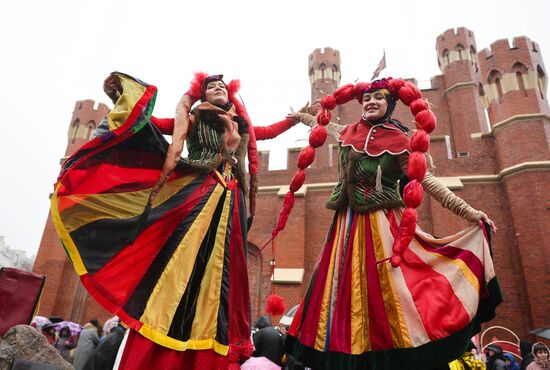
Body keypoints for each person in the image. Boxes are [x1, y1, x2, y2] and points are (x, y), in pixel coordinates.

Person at [50, 71, 301, 369]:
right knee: (181, 264)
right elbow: (153, 125)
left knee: (222, 276)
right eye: (211, 86)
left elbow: (268, 131)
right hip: (199, 192)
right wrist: (127, 104)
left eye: (222, 85)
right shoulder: (194, 119)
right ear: (202, 95)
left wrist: (296, 118)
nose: (218, 88)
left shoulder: (239, 123)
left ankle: (211, 337)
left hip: (231, 200)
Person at [284, 78, 502, 370]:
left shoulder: (399, 142)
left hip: (381, 226)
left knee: (391, 293)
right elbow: (324, 127)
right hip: (345, 228)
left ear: (389, 105)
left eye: (378, 98)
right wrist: (300, 117)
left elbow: (427, 182)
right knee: (341, 293)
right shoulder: (349, 132)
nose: (371, 102)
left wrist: (471, 212)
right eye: (367, 98)